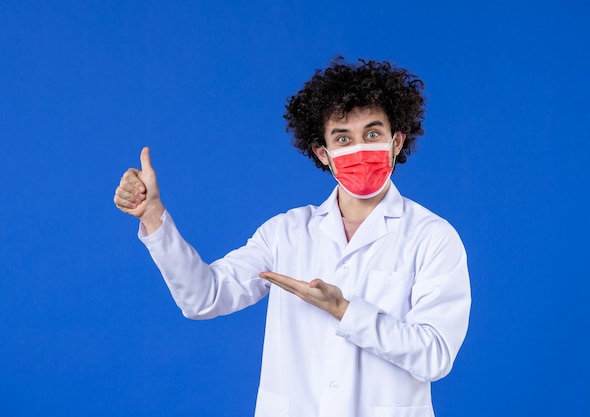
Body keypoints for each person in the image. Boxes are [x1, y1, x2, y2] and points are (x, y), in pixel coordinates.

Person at [114, 57, 471, 417]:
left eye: (373, 134)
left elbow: (435, 356)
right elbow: (204, 298)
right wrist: (154, 217)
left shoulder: (432, 237)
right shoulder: (286, 233)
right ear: (323, 153)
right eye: (343, 138)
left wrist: (344, 311)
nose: (359, 149)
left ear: (396, 142)